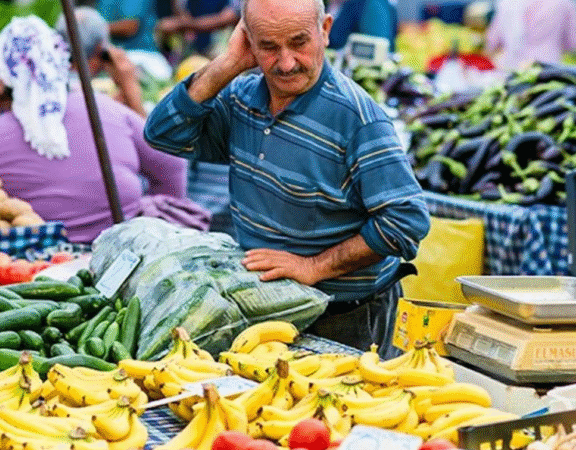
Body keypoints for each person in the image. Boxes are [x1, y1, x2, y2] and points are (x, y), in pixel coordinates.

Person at [144, 0, 430, 357]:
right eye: (268, 47)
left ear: (325, 31)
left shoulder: (357, 119)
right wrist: (228, 65)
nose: (286, 63)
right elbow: (162, 134)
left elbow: (406, 221)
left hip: (344, 316)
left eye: (299, 42)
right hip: (266, 307)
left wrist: (314, 266)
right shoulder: (242, 99)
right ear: (247, 41)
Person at [0, 16, 207, 244]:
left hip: (31, 260)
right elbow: (171, 162)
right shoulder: (102, 108)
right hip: (119, 247)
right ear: (60, 65)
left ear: (3, 75)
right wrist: (155, 220)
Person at [54, 6, 146, 117]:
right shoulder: (95, 103)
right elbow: (145, 132)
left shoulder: (50, 88)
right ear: (100, 48)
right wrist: (130, 88)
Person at [486, 0, 576, 71]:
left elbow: (492, 42)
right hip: (546, 69)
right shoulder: (563, 3)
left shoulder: (506, 3)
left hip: (510, 70)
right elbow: (572, 43)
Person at [157, 0, 240, 56]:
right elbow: (180, 7)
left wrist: (181, 24)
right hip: (191, 48)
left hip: (219, 50)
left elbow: (227, 18)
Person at [327, 0, 398, 52]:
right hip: (386, 62)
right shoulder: (389, 6)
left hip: (359, 63)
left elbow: (334, 40)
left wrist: (333, 8)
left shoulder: (354, 4)